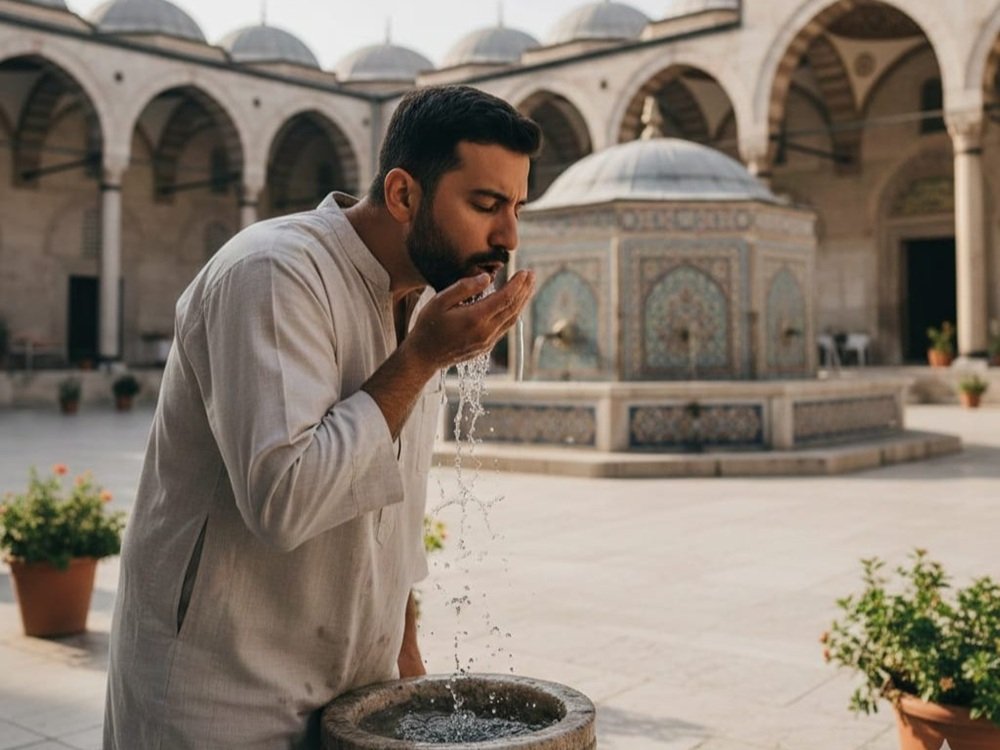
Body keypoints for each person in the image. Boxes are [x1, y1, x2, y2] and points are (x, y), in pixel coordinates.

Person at [104, 85, 541, 749]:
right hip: (222, 699)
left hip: (354, 692)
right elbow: (285, 501)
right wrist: (421, 359)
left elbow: (392, 513)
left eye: (515, 207)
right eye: (486, 205)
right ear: (403, 195)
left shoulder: (424, 307)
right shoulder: (274, 273)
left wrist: (406, 662)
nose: (508, 236)